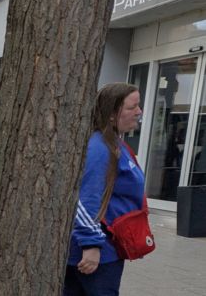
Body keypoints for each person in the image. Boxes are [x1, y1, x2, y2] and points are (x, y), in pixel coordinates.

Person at [65, 83, 146, 295]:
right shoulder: (100, 147)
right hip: (96, 255)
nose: (139, 112)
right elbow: (83, 199)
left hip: (107, 250)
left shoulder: (114, 143)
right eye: (132, 107)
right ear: (112, 114)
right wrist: (90, 245)